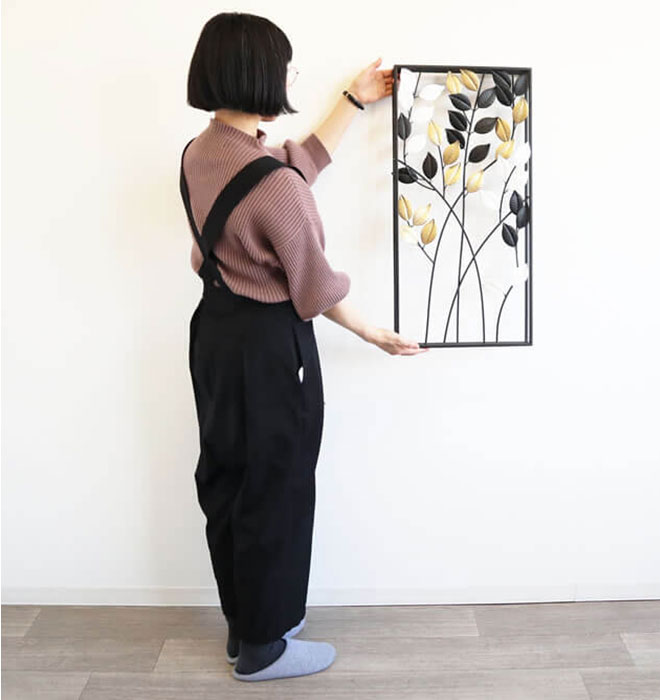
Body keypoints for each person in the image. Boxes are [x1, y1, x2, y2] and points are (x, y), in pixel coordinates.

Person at [180, 11, 429, 683]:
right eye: (286, 68)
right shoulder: (275, 186)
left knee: (229, 480)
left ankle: (246, 626)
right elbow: (314, 283)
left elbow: (291, 169)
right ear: (258, 74)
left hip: (214, 335)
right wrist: (373, 332)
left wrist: (351, 100)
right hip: (269, 347)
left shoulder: (202, 153)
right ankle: (266, 648)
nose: (291, 78)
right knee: (278, 487)